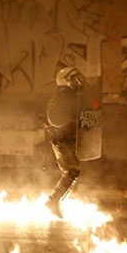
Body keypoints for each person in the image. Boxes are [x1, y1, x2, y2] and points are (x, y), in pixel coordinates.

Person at [45, 66, 85, 217]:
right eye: (74, 79)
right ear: (66, 81)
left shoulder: (60, 97)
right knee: (71, 171)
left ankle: (54, 201)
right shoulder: (67, 97)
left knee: (71, 172)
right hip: (63, 139)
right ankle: (53, 202)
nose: (78, 82)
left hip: (61, 139)